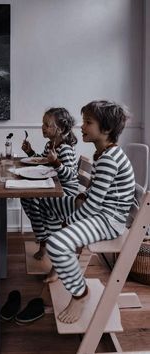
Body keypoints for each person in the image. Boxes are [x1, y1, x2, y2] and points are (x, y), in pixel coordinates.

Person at [34, 100, 136, 324]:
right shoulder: (104, 154)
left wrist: (68, 223)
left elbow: (93, 207)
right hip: (99, 209)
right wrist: (82, 197)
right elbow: (96, 194)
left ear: (106, 130)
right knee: (48, 203)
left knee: (57, 243)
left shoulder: (109, 159)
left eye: (88, 122)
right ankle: (61, 264)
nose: (82, 126)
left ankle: (80, 294)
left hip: (108, 220)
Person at [21, 107, 79, 260]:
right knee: (26, 197)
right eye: (43, 124)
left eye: (47, 125)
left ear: (59, 129)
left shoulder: (65, 148)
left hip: (66, 192)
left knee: (34, 199)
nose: (43, 127)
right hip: (53, 186)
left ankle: (46, 241)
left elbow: (71, 175)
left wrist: (56, 163)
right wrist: (30, 153)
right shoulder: (50, 145)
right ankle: (44, 238)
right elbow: (43, 162)